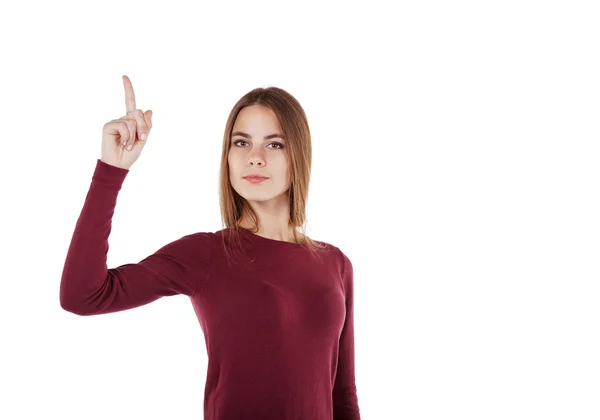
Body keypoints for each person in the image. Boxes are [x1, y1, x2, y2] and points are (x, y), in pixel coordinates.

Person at [60, 75, 361, 420]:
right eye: (242, 143)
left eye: (275, 144)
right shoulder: (207, 254)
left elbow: (343, 394)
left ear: (299, 155)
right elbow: (82, 296)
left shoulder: (336, 263)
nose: (256, 157)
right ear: (228, 157)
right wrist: (110, 171)